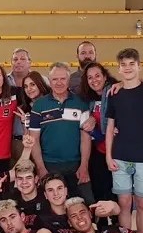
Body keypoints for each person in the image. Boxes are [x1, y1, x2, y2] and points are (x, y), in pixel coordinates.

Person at [105, 48, 143, 233]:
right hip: (120, 155)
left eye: (131, 64)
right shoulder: (113, 94)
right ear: (118, 69)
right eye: (123, 65)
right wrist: (108, 156)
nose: (127, 68)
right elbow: (110, 127)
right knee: (124, 203)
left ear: (139, 66)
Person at [29, 62, 94, 201]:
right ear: (49, 81)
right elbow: (33, 140)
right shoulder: (39, 105)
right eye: (55, 79)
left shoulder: (80, 104)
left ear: (68, 80)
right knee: (53, 207)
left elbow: (85, 138)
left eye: (62, 79)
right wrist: (41, 168)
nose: (59, 83)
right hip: (49, 165)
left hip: (76, 165)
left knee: (87, 205)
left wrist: (84, 166)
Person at [77, 62, 119, 214]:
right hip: (99, 151)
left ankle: (119, 229)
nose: (94, 80)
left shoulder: (116, 92)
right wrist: (93, 122)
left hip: (117, 153)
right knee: (100, 193)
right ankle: (103, 231)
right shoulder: (87, 99)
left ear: (105, 76)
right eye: (90, 77)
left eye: (97, 76)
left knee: (118, 196)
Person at [12, 70, 50, 166]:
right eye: (25, 86)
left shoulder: (52, 103)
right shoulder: (24, 109)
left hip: (51, 152)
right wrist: (26, 122)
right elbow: (27, 137)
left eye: (32, 84)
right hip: (32, 152)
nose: (29, 89)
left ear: (40, 84)